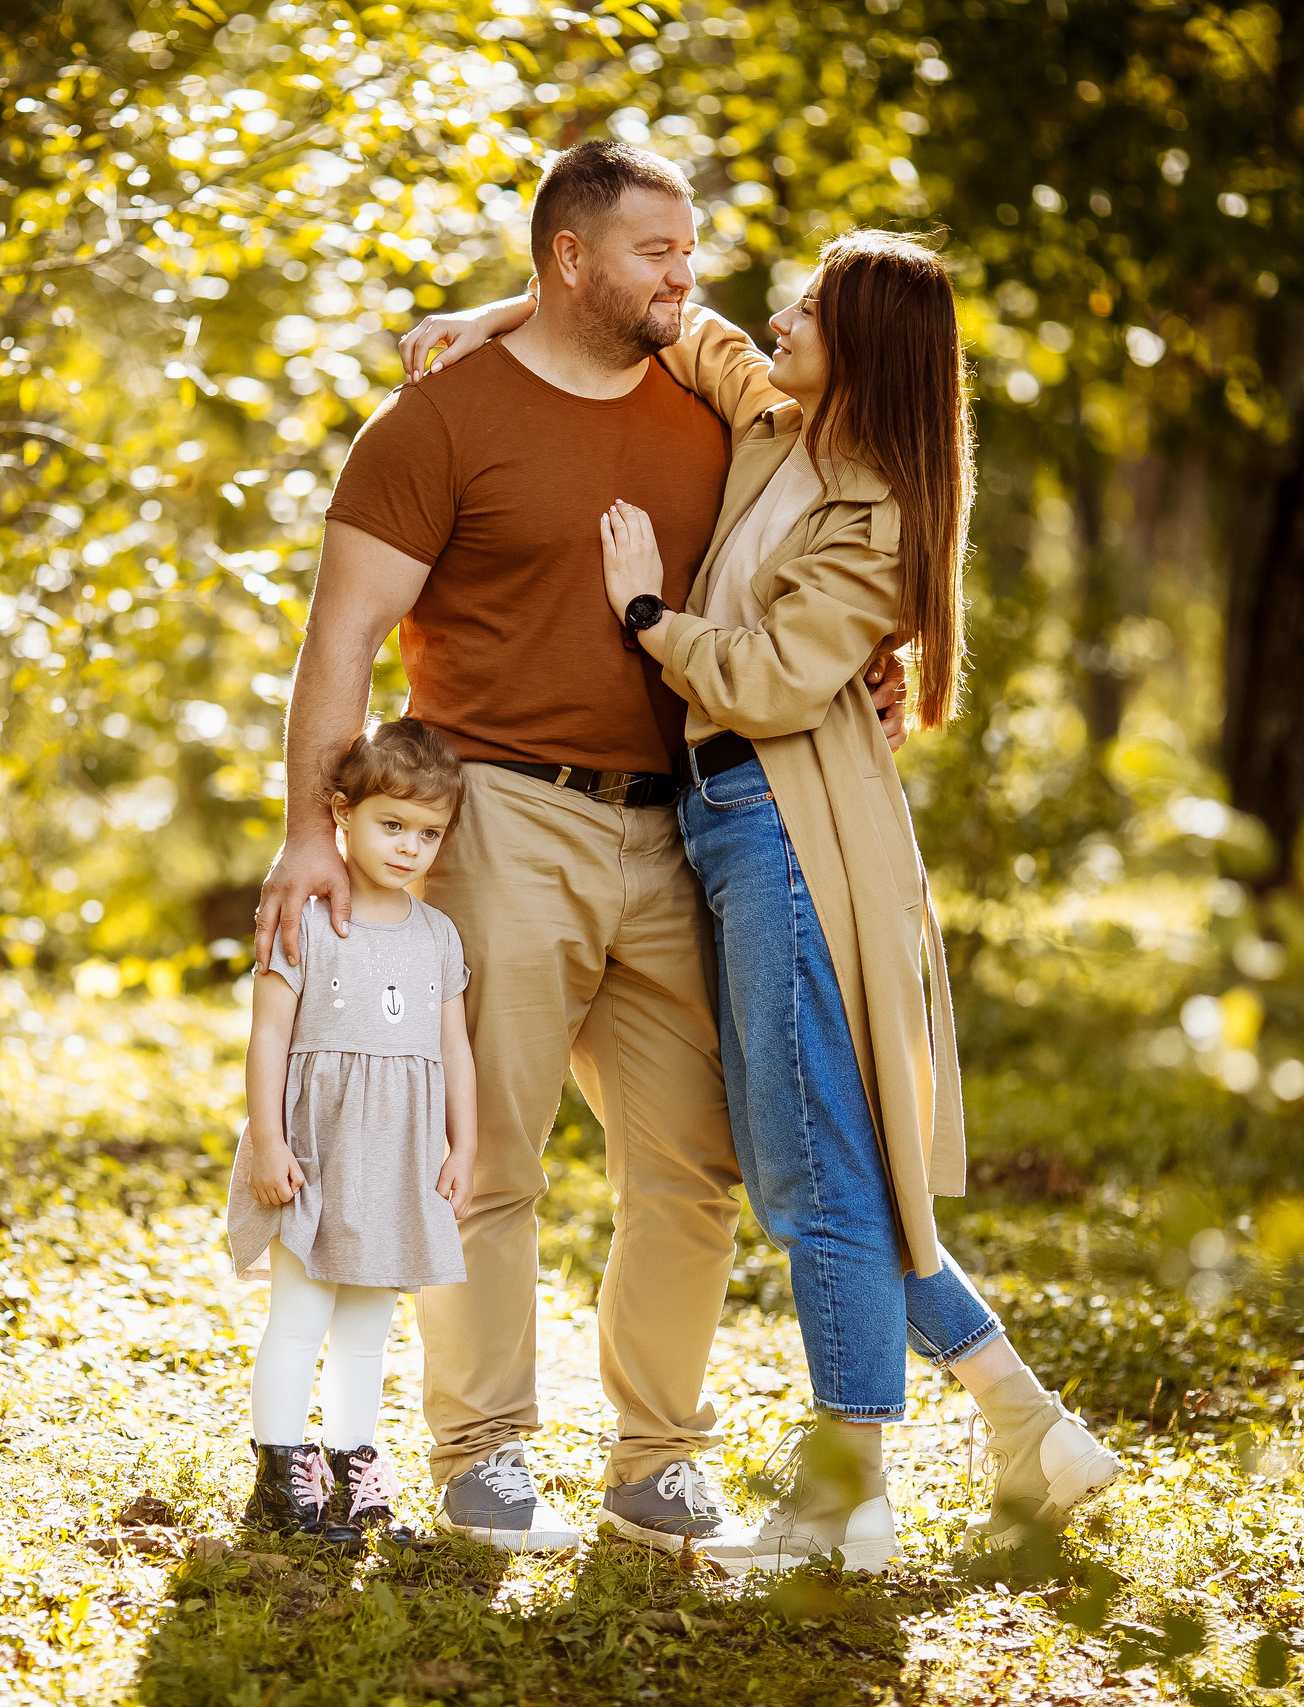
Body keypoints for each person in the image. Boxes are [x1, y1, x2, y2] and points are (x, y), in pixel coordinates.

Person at [255, 138, 905, 1556]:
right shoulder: (435, 424)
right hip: (499, 811)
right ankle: (482, 1452)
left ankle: (656, 1460)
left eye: (693, 248)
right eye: (659, 251)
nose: (692, 275)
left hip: (681, 820)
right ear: (570, 261)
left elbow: (808, 541)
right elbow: (342, 642)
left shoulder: (708, 405)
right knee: (485, 1152)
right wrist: (312, 832)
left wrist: (870, 656)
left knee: (692, 1162)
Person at [576, 229, 1121, 1572]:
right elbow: (693, 333)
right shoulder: (777, 420)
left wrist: (647, 614)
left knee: (818, 1171)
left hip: (789, 831)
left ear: (863, 339)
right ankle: (1024, 1422)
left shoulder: (874, 506)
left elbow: (762, 678)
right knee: (818, 1169)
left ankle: (845, 1504)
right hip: (728, 824)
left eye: (809, 305)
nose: (780, 312)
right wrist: (499, 313)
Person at [228, 717, 478, 1555]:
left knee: (369, 1326)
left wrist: (463, 1144)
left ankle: (351, 1466)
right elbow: (267, 1036)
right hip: (316, 1149)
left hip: (400, 1158)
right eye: (391, 824)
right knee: (299, 1314)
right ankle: (280, 1470)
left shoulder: (437, 935)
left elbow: (453, 1049)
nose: (409, 846)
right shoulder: (308, 918)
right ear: (342, 812)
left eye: (428, 832)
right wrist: (269, 1142)